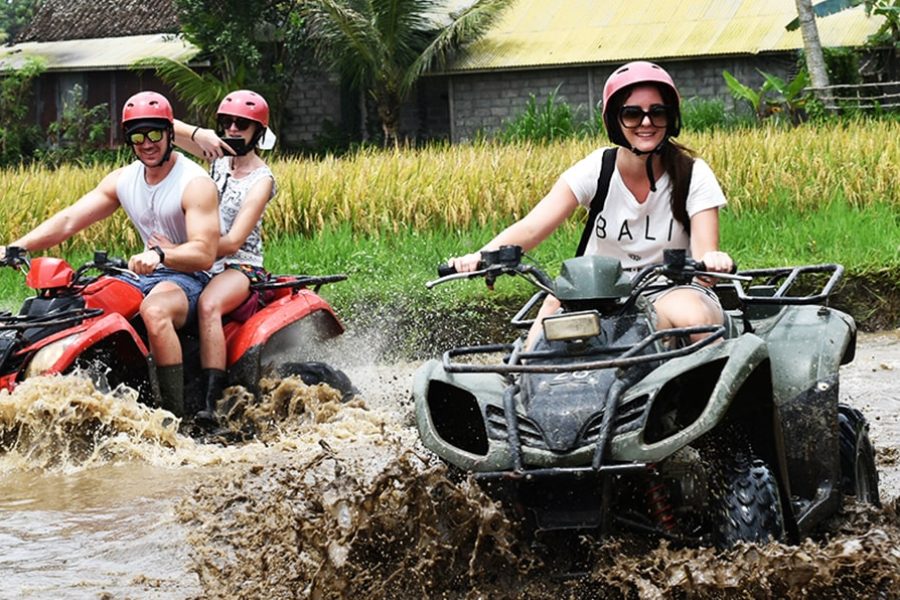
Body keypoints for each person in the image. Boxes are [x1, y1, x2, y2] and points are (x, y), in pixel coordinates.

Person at [449, 61, 734, 347]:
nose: (646, 123)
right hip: (598, 292)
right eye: (632, 114)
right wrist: (481, 256)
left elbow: (705, 254)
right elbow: (533, 226)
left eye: (657, 113)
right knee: (551, 312)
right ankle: (521, 380)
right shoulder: (597, 169)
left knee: (695, 318)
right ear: (614, 120)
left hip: (671, 288)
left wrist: (713, 261)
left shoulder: (693, 173)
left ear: (670, 118)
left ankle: (709, 387)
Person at [1, 91, 219, 417]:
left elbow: (204, 253)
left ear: (171, 134)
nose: (147, 143)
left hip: (189, 277)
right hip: (142, 273)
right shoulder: (124, 179)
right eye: (138, 136)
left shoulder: (194, 182)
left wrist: (161, 255)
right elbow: (70, 219)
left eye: (155, 134)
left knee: (155, 311)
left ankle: (173, 417)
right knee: (81, 307)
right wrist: (15, 247)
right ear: (129, 140)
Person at [167, 90, 277, 423]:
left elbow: (232, 241)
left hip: (240, 264)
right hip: (200, 259)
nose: (232, 129)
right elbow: (164, 126)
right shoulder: (216, 160)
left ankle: (212, 400)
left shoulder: (262, 180)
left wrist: (173, 252)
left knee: (209, 305)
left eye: (241, 124)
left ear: (258, 132)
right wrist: (202, 134)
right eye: (226, 122)